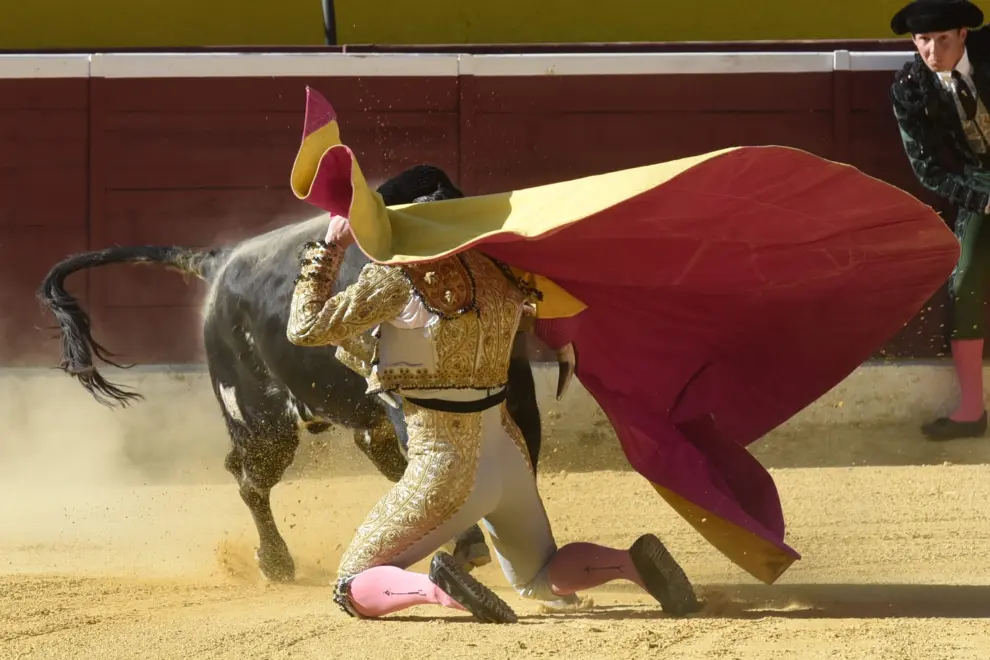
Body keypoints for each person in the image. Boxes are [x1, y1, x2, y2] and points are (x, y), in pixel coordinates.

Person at [286, 86, 960, 619]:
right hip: (506, 453)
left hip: (443, 463)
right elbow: (565, 322)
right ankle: (628, 564)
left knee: (352, 582)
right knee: (541, 572)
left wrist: (330, 247)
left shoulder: (396, 279)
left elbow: (306, 328)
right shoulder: (508, 277)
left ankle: (436, 588)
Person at [890, 0, 990, 440]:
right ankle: (971, 410)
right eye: (922, 40)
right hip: (981, 186)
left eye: (943, 39)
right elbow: (927, 166)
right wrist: (982, 199)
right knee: (965, 280)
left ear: (964, 35)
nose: (931, 51)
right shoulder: (910, 85)